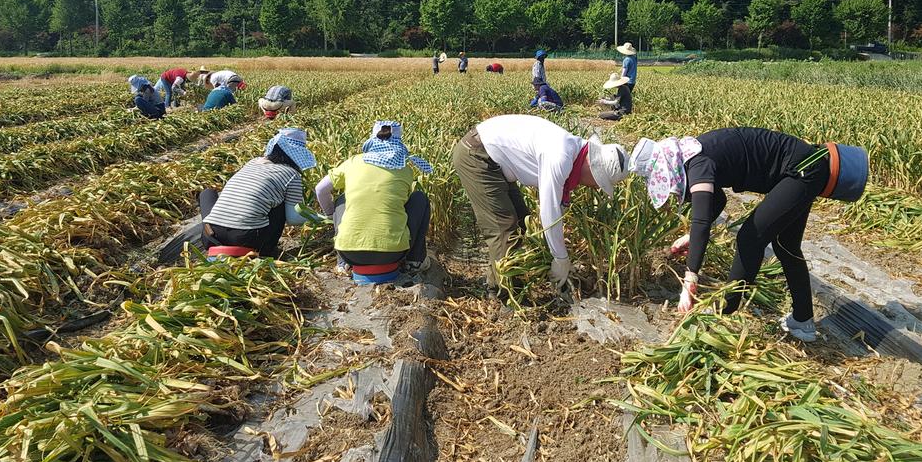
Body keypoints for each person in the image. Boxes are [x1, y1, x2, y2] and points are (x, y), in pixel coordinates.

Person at [629, 128, 868, 342]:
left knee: (750, 238)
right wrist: (691, 237)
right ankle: (802, 322)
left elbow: (701, 221)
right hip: (803, 169)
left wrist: (690, 280)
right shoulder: (694, 154)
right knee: (786, 244)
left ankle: (725, 311)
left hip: (802, 170)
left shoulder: (698, 164)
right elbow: (717, 201)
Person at [452, 114, 628, 292]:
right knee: (504, 229)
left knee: (522, 222)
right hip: (477, 155)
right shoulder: (560, 157)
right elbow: (549, 214)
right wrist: (561, 259)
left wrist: (560, 256)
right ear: (593, 169)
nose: (596, 187)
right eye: (599, 182)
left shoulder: (574, 152)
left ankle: (501, 280)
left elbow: (556, 209)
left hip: (493, 160)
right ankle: (502, 293)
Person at [315, 121, 433, 277]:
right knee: (419, 198)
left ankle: (342, 264)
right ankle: (414, 261)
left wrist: (331, 216)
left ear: (372, 140)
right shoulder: (404, 168)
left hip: (348, 253)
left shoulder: (353, 162)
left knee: (342, 199)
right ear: (398, 141)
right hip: (394, 253)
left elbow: (320, 189)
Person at [199, 128, 315, 257]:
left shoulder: (253, 162)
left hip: (211, 237)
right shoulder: (291, 174)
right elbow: (294, 218)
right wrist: (320, 217)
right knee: (280, 202)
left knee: (207, 193)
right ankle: (267, 251)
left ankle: (213, 223)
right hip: (246, 240)